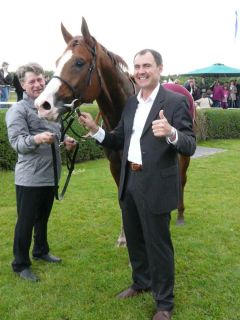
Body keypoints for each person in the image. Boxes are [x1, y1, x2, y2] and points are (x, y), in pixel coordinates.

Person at [79, 49, 196, 320]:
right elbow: (118, 138)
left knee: (158, 244)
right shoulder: (131, 103)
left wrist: (172, 133)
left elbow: (189, 144)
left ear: (159, 68)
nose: (141, 71)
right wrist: (96, 131)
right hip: (129, 180)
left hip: (156, 183)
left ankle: (164, 303)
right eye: (137, 66)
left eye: (147, 66)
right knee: (133, 238)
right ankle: (141, 282)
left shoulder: (175, 102)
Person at [5, 62, 77, 282]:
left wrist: (65, 141)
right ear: (23, 85)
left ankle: (40, 250)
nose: (37, 84)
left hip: (50, 175)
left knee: (42, 218)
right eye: (31, 81)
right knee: (25, 221)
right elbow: (17, 143)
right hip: (30, 178)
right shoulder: (18, 110)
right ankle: (20, 263)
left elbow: (55, 134)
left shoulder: (48, 106)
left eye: (39, 79)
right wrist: (36, 139)